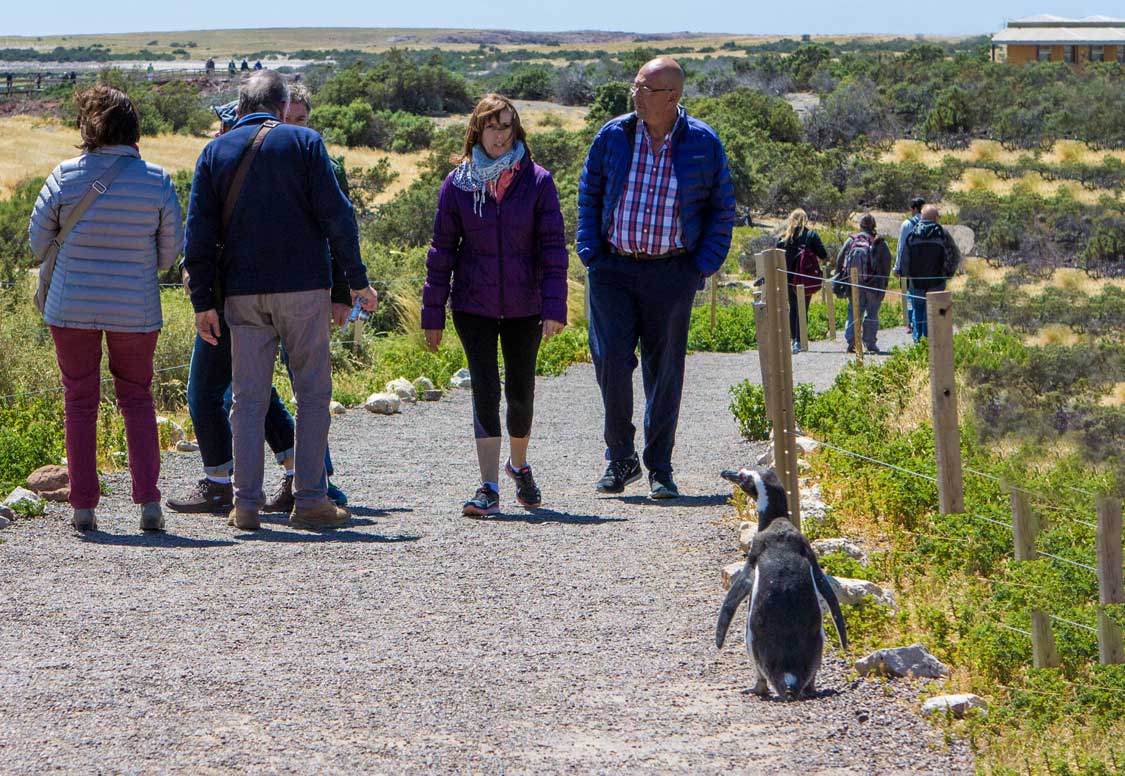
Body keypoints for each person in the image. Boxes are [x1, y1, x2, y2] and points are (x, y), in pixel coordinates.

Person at [183, 70, 377, 532]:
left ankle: (245, 505)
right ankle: (310, 499)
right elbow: (338, 217)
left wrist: (202, 303)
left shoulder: (216, 150)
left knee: (246, 401)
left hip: (241, 295)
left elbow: (199, 234)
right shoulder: (305, 143)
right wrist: (355, 281)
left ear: (240, 104)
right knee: (312, 394)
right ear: (281, 102)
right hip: (302, 291)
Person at [578, 56, 735, 500]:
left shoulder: (703, 143)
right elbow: (588, 191)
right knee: (610, 360)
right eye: (635, 86)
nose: (635, 95)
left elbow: (723, 208)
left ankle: (659, 466)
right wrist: (591, 252)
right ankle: (619, 457)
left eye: (644, 89)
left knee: (664, 372)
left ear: (673, 97)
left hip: (672, 271)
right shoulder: (614, 135)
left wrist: (700, 264)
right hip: (613, 268)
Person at [27, 85, 183, 532]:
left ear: (89, 128)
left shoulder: (64, 175)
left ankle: (83, 507)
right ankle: (149, 503)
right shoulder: (157, 180)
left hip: (71, 304)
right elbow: (167, 256)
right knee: (137, 399)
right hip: (135, 308)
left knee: (79, 400)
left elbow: (39, 244)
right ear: (134, 129)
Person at [422, 94, 568, 516]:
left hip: (526, 305)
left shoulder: (538, 181)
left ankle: (518, 465)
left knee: (520, 393)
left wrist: (555, 306)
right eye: (491, 126)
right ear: (476, 131)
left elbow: (553, 248)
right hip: (473, 304)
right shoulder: (458, 184)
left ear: (516, 130)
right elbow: (441, 252)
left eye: (506, 126)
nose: (499, 135)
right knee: (484, 391)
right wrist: (432, 314)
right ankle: (487, 485)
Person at [901, 205, 961, 342]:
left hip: (916, 282)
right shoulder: (942, 234)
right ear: (935, 218)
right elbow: (955, 255)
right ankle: (930, 344)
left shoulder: (912, 234)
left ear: (922, 217)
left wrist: (907, 277)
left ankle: (918, 343)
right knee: (933, 312)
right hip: (937, 282)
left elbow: (905, 258)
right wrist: (948, 273)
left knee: (918, 310)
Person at [835, 213, 893, 355]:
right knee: (872, 313)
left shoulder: (851, 240)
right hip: (874, 284)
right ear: (874, 226)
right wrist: (883, 283)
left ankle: (852, 342)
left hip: (854, 283)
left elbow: (839, 259)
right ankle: (870, 343)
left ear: (860, 225)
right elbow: (887, 263)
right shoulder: (879, 242)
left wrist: (841, 278)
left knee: (854, 311)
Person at [776, 208, 827, 354]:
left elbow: (777, 256)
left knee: (793, 309)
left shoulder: (784, 238)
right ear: (805, 219)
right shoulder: (811, 235)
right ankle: (801, 340)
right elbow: (824, 254)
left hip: (789, 279)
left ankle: (794, 341)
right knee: (803, 309)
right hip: (805, 279)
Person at [893, 196, 925, 335]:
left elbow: (901, 247)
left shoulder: (907, 224)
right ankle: (921, 325)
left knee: (909, 296)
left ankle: (910, 324)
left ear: (914, 209)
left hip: (909, 266)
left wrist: (897, 267)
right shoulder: (929, 223)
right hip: (925, 266)